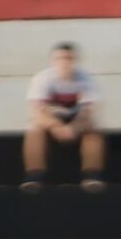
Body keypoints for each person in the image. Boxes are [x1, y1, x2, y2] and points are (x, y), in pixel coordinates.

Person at [24, 42, 106, 192]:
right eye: (60, 58)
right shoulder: (42, 79)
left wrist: (74, 128)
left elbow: (89, 110)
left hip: (76, 118)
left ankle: (92, 175)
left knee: (93, 128)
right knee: (34, 127)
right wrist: (56, 127)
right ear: (53, 61)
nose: (65, 62)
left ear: (75, 61)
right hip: (51, 118)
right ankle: (34, 175)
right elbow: (38, 110)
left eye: (69, 58)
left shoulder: (86, 79)